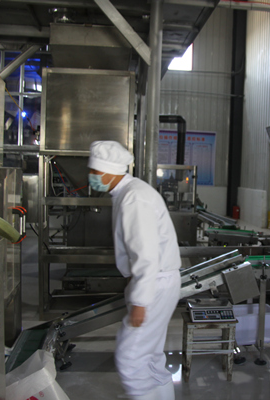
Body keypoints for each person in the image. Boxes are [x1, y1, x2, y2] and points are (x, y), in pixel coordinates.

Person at [88, 140, 180, 400]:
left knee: (131, 358)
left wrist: (140, 301)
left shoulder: (134, 198)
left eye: (95, 171)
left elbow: (146, 255)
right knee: (151, 358)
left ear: (110, 171)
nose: (92, 176)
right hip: (157, 281)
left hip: (154, 283)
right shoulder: (128, 192)